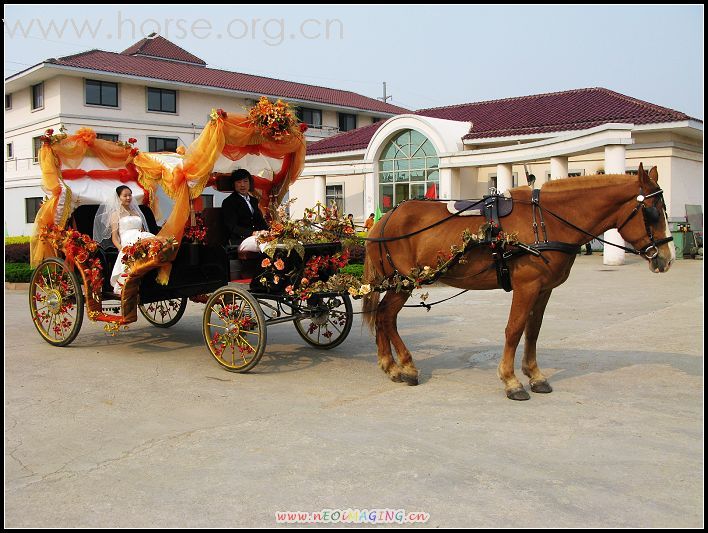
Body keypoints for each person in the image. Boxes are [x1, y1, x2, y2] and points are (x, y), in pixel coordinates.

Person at [93, 185, 154, 295]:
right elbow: (115, 237)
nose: (128, 198)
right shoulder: (115, 215)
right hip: (127, 240)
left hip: (140, 236)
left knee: (153, 242)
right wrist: (122, 249)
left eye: (130, 195)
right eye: (125, 196)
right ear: (119, 197)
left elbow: (141, 229)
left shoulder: (136, 212)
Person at [222, 169, 269, 252]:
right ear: (233, 184)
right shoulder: (229, 202)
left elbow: (260, 221)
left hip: (256, 237)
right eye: (239, 182)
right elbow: (232, 227)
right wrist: (253, 233)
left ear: (250, 183)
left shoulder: (254, 200)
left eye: (245, 181)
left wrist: (268, 231)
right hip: (239, 240)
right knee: (266, 246)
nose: (242, 185)